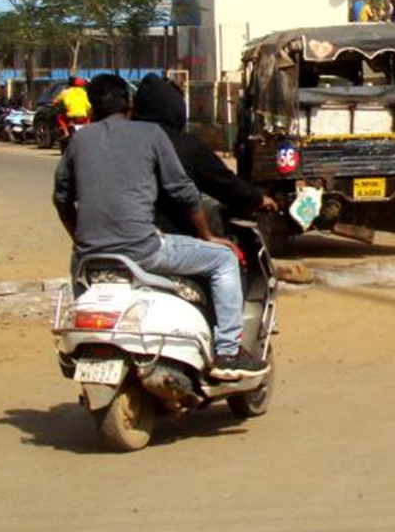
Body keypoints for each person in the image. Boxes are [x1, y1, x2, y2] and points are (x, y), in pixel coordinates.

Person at [53, 74, 268, 380]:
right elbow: (183, 190)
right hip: (144, 250)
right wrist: (208, 235)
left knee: (82, 288)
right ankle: (229, 352)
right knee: (224, 259)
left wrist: (79, 239)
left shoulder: (79, 140)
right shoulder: (151, 134)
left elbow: (61, 197)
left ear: (92, 107)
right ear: (128, 103)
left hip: (88, 257)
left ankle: (77, 348)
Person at [132, 73, 278, 233]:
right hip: (164, 237)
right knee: (223, 246)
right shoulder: (184, 144)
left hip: (119, 233)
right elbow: (223, 184)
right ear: (174, 108)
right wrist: (257, 199)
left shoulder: (120, 139)